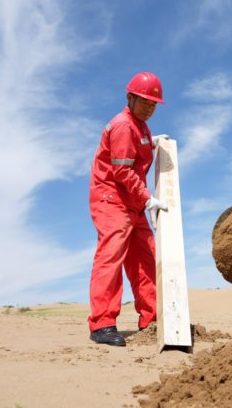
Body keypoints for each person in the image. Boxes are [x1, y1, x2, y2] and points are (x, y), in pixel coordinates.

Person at [87, 71, 169, 346]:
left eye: (153, 105)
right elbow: (122, 171)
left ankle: (153, 319)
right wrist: (148, 198)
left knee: (146, 259)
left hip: (133, 202)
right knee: (111, 258)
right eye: (145, 102)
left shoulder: (141, 126)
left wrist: (152, 141)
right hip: (112, 199)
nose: (149, 108)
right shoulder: (123, 125)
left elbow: (138, 150)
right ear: (130, 98)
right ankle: (102, 324)